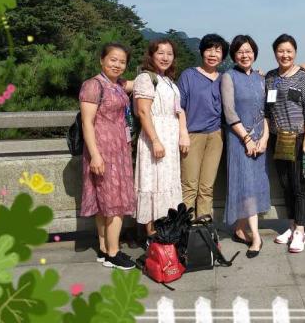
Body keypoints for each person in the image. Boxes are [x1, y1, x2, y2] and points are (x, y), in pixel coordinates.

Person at [79, 43, 136, 270]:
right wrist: (95, 155)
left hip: (119, 151)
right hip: (102, 151)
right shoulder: (93, 85)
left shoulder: (118, 84)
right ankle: (114, 252)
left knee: (106, 201)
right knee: (115, 202)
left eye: (122, 62)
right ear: (102, 60)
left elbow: (140, 82)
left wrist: (156, 74)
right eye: (113, 60)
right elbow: (87, 123)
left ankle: (104, 249)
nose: (117, 65)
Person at [265, 34, 305, 253]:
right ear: (275, 53)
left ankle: (300, 230)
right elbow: (267, 108)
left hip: (299, 137)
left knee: (300, 184)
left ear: (295, 52)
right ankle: (292, 225)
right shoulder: (270, 77)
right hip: (278, 138)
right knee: (285, 184)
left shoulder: (303, 76)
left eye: (289, 51)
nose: (284, 55)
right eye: (280, 51)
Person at [134, 39, 190, 240]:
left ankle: (165, 234)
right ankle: (152, 237)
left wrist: (182, 132)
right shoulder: (145, 78)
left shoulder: (167, 80)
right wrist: (155, 140)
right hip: (155, 137)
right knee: (153, 184)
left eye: (169, 53)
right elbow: (143, 111)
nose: (165, 57)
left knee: (166, 184)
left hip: (170, 139)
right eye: (160, 53)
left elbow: (178, 110)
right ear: (151, 55)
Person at [221, 35, 270, 258]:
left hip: (260, 140)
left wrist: (265, 138)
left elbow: (266, 111)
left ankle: (240, 229)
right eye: (240, 51)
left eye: (248, 51)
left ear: (254, 53)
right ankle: (256, 237)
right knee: (247, 185)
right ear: (234, 55)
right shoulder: (228, 77)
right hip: (239, 139)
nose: (245, 55)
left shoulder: (261, 79)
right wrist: (247, 139)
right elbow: (229, 112)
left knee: (254, 184)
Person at [178, 34, 229, 218]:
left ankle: (203, 227)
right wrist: (183, 133)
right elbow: (179, 107)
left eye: (218, 50)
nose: (213, 54)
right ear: (202, 52)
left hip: (216, 136)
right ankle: (186, 226)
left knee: (207, 186)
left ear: (223, 56)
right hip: (192, 135)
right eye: (209, 49)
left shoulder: (224, 79)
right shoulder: (189, 75)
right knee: (189, 185)